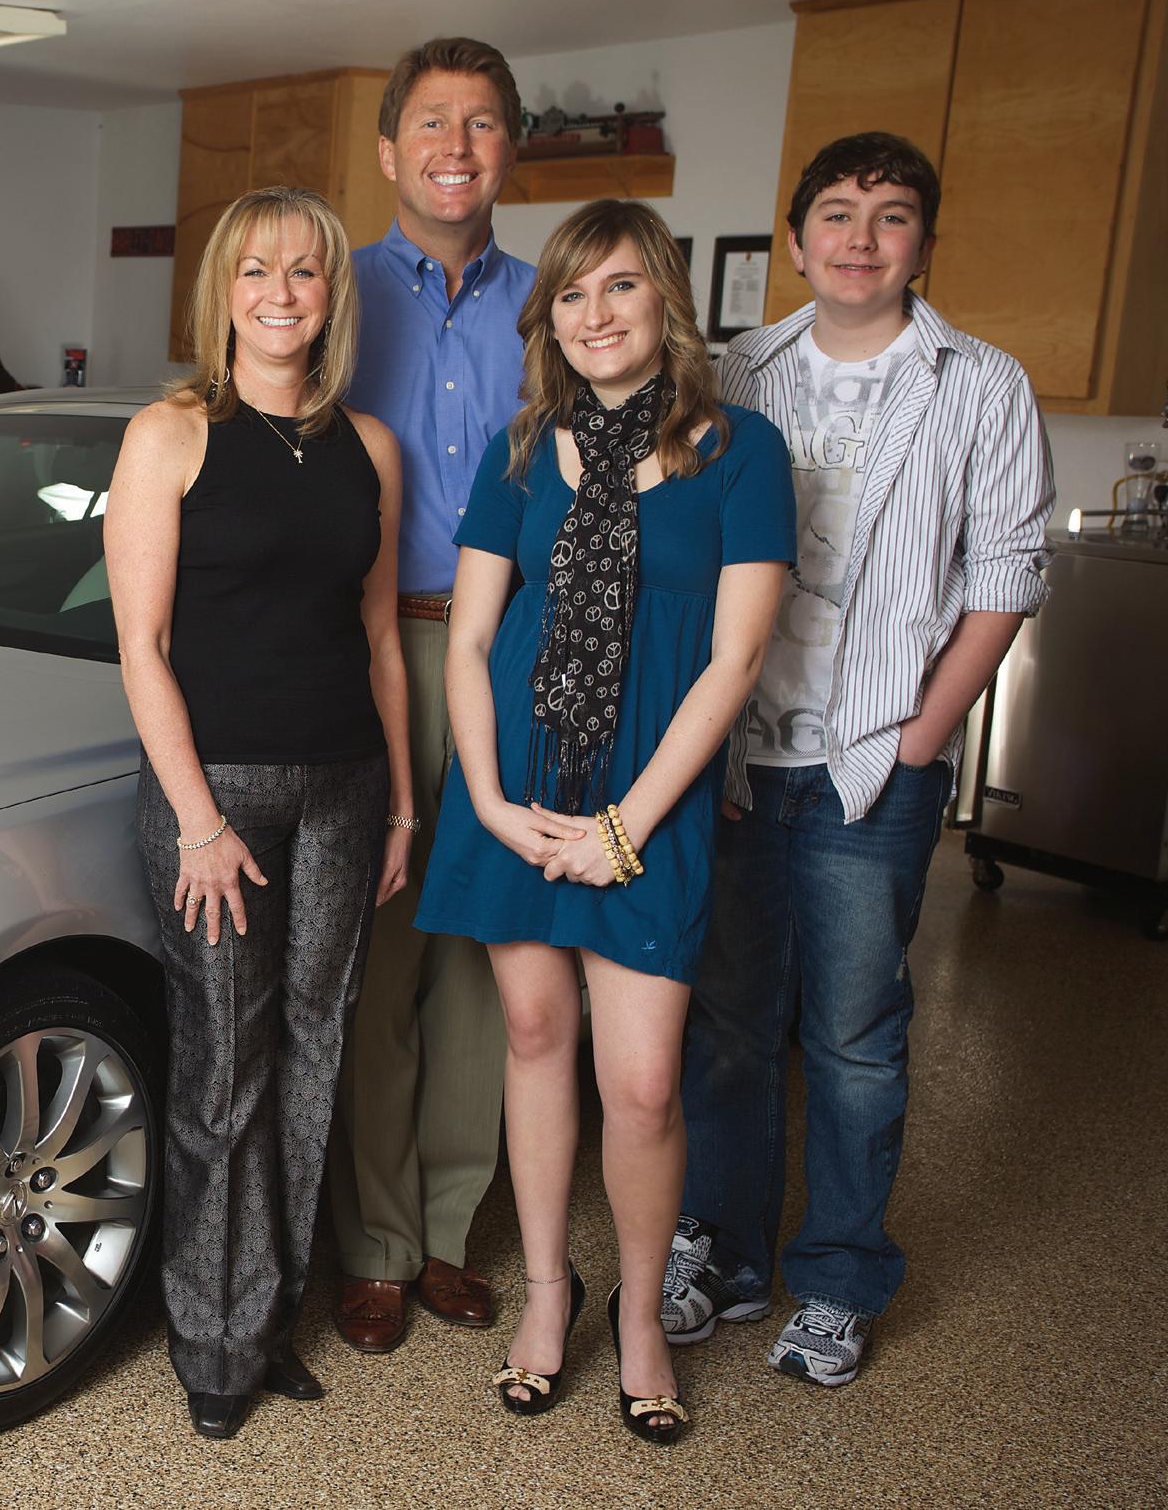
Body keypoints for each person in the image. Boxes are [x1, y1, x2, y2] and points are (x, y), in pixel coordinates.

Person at [665, 132, 1053, 1388]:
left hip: (873, 766)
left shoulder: (981, 383)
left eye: (890, 216)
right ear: (796, 239)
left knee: (854, 1035)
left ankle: (836, 1278)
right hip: (735, 757)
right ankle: (726, 1252)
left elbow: (1006, 574)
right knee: (728, 1024)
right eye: (837, 213)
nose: (860, 238)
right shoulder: (739, 370)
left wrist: (923, 737)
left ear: (923, 243)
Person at [414, 198, 795, 1444]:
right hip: (520, 783)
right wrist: (484, 799)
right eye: (571, 295)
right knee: (533, 1033)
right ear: (551, 321)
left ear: (665, 300)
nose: (594, 314)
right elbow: (470, 637)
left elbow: (736, 659)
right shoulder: (524, 448)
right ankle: (546, 1292)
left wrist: (625, 826)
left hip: (650, 797)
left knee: (641, 1085)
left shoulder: (741, 449)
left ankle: (639, 1313)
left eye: (619, 286)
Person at [104, 185, 416, 1440]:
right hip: (218, 796)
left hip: (346, 787)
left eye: (304, 271)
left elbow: (381, 638)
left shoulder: (370, 447)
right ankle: (212, 1342)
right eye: (256, 272)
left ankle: (269, 1313)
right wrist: (197, 821)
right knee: (223, 1067)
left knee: (315, 1048)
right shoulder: (170, 434)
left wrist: (401, 806)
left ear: (332, 294)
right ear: (221, 293)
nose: (281, 294)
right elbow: (142, 645)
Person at [325, 34, 534, 1357]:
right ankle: (377, 1247)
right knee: (385, 953)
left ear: (509, 149)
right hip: (378, 650)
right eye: (434, 123)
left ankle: (452, 1230)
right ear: (390, 149)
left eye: (483, 123)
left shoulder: (556, 305)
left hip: (512, 654)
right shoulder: (330, 292)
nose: (457, 148)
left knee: (485, 962)